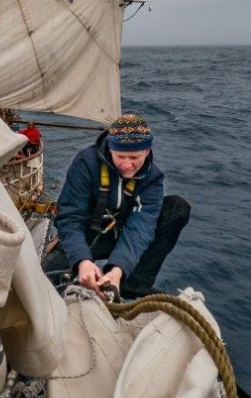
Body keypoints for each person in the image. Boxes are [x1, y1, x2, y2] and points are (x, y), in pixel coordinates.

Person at [42, 114, 191, 300]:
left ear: (146, 151)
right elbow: (70, 218)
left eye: (134, 157)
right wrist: (82, 260)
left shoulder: (153, 180)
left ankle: (132, 285)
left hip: (121, 236)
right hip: (84, 234)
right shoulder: (85, 164)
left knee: (177, 207)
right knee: (45, 286)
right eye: (120, 156)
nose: (127, 165)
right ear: (110, 149)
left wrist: (117, 270)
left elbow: (139, 229)